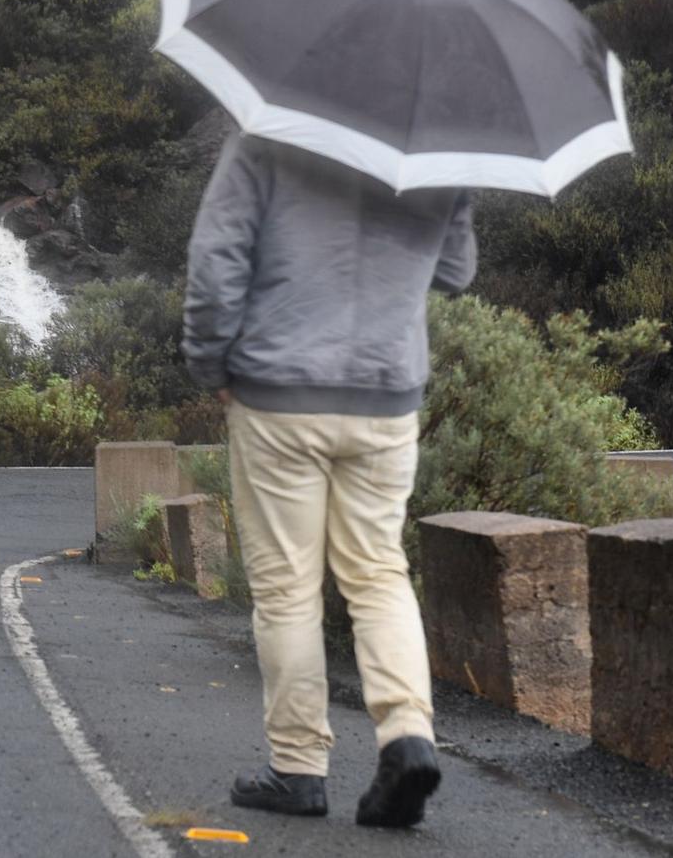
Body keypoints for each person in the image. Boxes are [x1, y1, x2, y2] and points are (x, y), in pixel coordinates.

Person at [182, 130, 476, 829]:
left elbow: (216, 259)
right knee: (378, 570)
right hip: (385, 390)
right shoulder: (440, 145)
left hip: (278, 389)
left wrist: (210, 365)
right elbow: (457, 270)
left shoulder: (269, 136)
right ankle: (408, 735)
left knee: (287, 583)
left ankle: (297, 769)